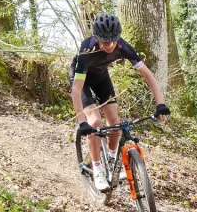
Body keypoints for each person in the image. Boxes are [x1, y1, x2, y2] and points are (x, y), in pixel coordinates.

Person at [70, 13, 170, 191]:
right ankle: (98, 168)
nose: (108, 46)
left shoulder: (124, 46)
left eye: (112, 41)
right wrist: (81, 122)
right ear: (95, 37)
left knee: (115, 122)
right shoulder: (87, 49)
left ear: (117, 38)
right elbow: (77, 89)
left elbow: (148, 75)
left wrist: (160, 104)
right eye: (103, 41)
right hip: (82, 81)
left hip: (101, 78)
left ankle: (110, 157)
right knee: (95, 123)